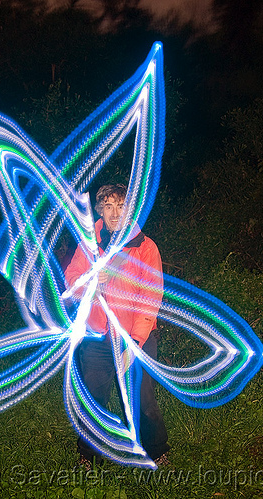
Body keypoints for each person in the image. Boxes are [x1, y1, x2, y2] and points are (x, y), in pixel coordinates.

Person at [64, 184, 170, 468]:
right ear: (100, 210)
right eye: (108, 206)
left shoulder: (145, 247)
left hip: (137, 336)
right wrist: (88, 279)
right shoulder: (89, 244)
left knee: (141, 398)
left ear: (130, 209)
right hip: (98, 336)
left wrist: (134, 343)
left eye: (121, 206)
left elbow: (150, 298)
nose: (114, 213)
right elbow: (71, 280)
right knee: (94, 397)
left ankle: (156, 450)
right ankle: (88, 455)